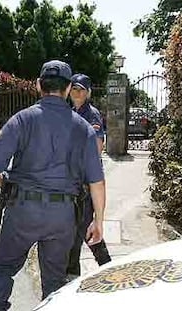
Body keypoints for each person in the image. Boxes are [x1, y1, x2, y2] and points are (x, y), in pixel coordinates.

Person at [0, 60, 106, 310]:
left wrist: (7, 185)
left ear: (38, 85)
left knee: (3, 268)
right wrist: (98, 221)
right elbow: (97, 182)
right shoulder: (83, 128)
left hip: (22, 210)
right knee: (55, 281)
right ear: (69, 88)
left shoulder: (22, 120)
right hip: (62, 216)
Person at [67, 73, 111, 278]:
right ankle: (105, 267)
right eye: (74, 88)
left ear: (88, 93)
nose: (77, 92)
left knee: (82, 227)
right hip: (72, 180)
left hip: (86, 181)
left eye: (81, 89)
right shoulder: (67, 112)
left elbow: (97, 147)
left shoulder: (91, 114)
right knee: (78, 227)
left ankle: (101, 268)